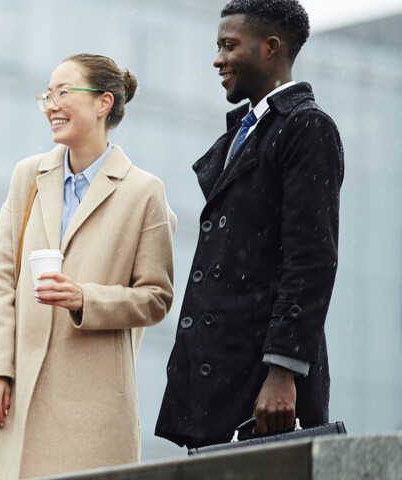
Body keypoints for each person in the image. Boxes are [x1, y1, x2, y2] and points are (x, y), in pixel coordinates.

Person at [0, 54, 176, 479]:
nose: (51, 105)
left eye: (64, 93)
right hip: (16, 392)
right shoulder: (28, 176)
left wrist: (85, 299)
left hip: (93, 405)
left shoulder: (144, 192)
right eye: (48, 94)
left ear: (103, 103)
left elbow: (156, 298)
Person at [156, 0, 343, 449]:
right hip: (222, 373)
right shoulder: (249, 131)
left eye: (228, 45)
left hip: (263, 383)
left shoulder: (306, 127)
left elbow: (312, 259)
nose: (218, 58)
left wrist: (284, 370)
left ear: (271, 47)